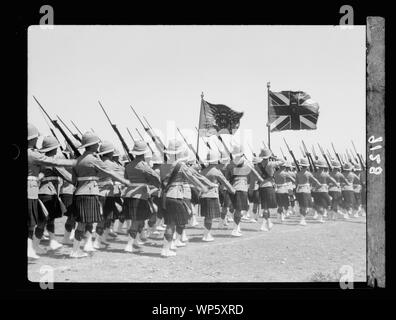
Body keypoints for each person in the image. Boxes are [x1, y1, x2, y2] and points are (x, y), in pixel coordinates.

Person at [70, 132, 133, 258]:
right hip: (90, 192)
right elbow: (109, 172)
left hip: (79, 193)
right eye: (97, 143)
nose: (98, 145)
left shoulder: (77, 160)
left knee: (83, 222)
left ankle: (79, 248)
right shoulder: (94, 160)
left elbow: (73, 180)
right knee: (87, 222)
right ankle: (76, 250)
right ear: (92, 145)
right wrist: (125, 182)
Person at [27, 123, 76, 259]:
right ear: (54, 149)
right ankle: (35, 246)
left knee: (48, 220)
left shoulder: (40, 158)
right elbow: (64, 174)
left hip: (44, 192)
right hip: (46, 193)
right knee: (43, 220)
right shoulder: (48, 160)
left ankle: (48, 242)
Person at [159, 139, 210, 257]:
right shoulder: (180, 165)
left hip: (167, 196)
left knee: (169, 224)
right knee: (173, 224)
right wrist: (202, 187)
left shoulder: (166, 165)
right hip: (176, 196)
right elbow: (192, 177)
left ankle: (166, 248)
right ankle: (165, 249)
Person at [122, 141, 161, 253]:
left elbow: (126, 179)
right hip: (140, 196)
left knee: (139, 220)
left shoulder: (128, 166)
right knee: (136, 221)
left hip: (129, 195)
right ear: (144, 154)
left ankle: (135, 241)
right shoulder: (144, 166)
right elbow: (156, 178)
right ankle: (129, 245)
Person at [200, 149, 235, 241]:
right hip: (212, 195)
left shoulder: (203, 171)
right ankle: (207, 235)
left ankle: (206, 233)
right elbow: (225, 182)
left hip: (203, 195)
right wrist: (232, 190)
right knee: (209, 217)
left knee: (207, 216)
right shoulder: (216, 171)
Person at [256, 148, 282, 231]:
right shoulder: (271, 164)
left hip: (261, 186)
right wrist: (275, 157)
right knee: (266, 208)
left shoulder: (258, 165)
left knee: (265, 207)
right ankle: (263, 225)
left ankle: (269, 223)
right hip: (269, 186)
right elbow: (283, 162)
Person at [295, 158, 322, 226]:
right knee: (308, 206)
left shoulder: (298, 173)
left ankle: (302, 219)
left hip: (299, 190)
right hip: (306, 190)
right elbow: (317, 182)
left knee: (302, 206)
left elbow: (296, 183)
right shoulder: (308, 174)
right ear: (307, 166)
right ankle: (303, 220)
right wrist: (314, 188)